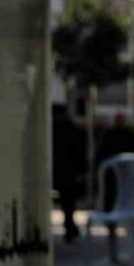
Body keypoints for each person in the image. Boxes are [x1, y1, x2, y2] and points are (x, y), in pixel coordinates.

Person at [52, 104, 87, 242]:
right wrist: (82, 169)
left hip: (56, 169)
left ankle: (69, 227)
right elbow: (77, 149)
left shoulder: (47, 125)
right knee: (68, 201)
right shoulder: (68, 126)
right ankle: (69, 227)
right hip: (66, 171)